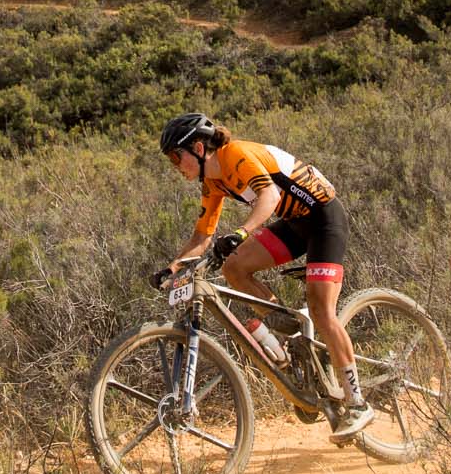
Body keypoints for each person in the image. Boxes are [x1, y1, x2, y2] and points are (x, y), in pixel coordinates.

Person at [151, 113, 373, 440]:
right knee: (234, 268)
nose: (175, 165)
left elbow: (269, 197)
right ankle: (289, 340)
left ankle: (357, 403)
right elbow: (202, 237)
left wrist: (241, 233)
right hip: (295, 224)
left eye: (176, 156)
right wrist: (172, 267)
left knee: (322, 310)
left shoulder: (236, 154)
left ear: (198, 148)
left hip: (324, 220)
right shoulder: (212, 182)